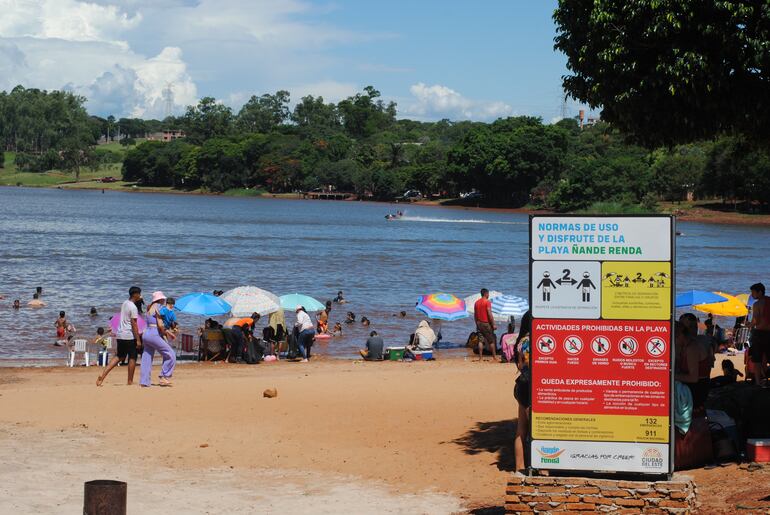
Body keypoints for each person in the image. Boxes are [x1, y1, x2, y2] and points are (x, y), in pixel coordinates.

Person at [97, 286, 143, 386]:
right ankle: (130, 381)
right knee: (132, 357)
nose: (140, 295)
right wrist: (138, 339)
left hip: (120, 334)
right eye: (139, 294)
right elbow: (134, 324)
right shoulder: (133, 307)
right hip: (129, 336)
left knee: (119, 356)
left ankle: (102, 376)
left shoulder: (125, 303)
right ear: (135, 294)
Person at [140, 291, 176, 387]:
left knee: (146, 358)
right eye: (163, 299)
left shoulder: (149, 308)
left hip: (146, 334)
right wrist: (169, 333)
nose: (164, 300)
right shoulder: (159, 307)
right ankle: (164, 376)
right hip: (154, 334)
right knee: (170, 354)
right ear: (160, 299)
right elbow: (160, 325)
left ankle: (144, 381)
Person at [674, 321, 711, 410]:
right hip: (693, 388)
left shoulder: (692, 348)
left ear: (681, 336)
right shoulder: (685, 346)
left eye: (674, 337)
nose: (673, 340)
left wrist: (671, 376)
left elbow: (693, 378)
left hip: (696, 390)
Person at [513, 312, 532, 473]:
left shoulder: (521, 342)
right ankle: (540, 467)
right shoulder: (536, 340)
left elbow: (520, 366)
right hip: (531, 385)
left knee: (521, 429)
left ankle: (519, 467)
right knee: (535, 429)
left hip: (521, 384)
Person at [749, 282, 770, 385]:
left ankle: (758, 382)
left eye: (753, 292)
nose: (752, 295)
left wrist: (748, 325)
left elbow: (756, 321)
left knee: (757, 360)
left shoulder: (756, 304)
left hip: (759, 334)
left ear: (759, 292)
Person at [473, 288, 497, 362]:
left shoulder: (476, 303)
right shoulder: (487, 302)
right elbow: (489, 313)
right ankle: (494, 357)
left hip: (479, 323)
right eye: (488, 294)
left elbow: (475, 315)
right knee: (491, 341)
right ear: (486, 294)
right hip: (486, 323)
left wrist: (476, 323)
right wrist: (493, 324)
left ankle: (480, 358)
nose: (488, 295)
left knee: (480, 341)